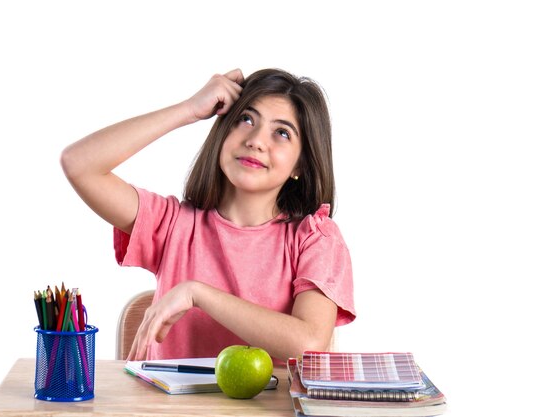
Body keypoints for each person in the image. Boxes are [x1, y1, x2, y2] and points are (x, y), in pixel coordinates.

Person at [60, 68, 355, 362]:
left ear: (299, 166)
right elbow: (78, 164)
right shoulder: (173, 224)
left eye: (281, 133)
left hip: (267, 411)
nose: (255, 140)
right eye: (246, 119)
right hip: (173, 410)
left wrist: (198, 293)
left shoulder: (316, 239)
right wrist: (188, 109)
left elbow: (310, 342)